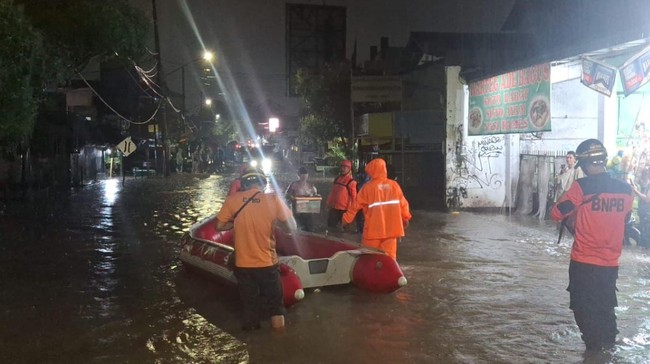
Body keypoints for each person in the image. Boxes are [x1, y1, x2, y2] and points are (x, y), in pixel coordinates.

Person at [550, 139, 634, 352]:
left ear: (585, 165)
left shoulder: (581, 187)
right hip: (610, 265)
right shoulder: (625, 191)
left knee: (582, 308)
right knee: (606, 308)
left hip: (584, 262)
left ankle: (593, 351)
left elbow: (556, 213)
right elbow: (624, 220)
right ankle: (608, 350)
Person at [216, 167, 297, 331]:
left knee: (249, 307)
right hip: (267, 263)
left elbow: (219, 225)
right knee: (276, 308)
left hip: (243, 265)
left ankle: (253, 342)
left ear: (245, 183)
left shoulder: (232, 200)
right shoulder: (273, 199)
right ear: (263, 182)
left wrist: (237, 222)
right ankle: (279, 343)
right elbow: (292, 227)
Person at [341, 158, 411, 261]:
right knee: (389, 261)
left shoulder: (367, 188)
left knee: (369, 260)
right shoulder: (394, 186)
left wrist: (345, 220)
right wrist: (406, 218)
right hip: (391, 232)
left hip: (373, 231)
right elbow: (403, 204)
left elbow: (355, 206)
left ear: (371, 171)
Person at [326, 160, 357, 231]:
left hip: (345, 210)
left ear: (349, 169)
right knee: (330, 228)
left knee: (345, 230)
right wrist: (328, 203)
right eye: (342, 167)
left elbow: (354, 198)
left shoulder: (351, 182)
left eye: (345, 167)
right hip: (334, 208)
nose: (343, 169)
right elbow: (332, 192)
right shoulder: (337, 179)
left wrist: (351, 211)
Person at [285, 166, 318, 231]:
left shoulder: (311, 186)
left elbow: (316, 196)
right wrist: (291, 197)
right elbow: (287, 195)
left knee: (310, 228)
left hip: (309, 211)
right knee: (298, 228)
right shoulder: (294, 185)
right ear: (299, 175)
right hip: (297, 211)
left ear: (307, 175)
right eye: (302, 175)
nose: (304, 176)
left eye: (305, 175)